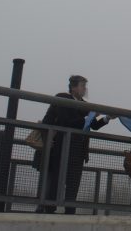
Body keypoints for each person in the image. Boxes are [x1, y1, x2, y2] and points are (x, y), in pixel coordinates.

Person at [37, 75, 108, 214]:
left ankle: (70, 209)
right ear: (74, 87)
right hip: (60, 146)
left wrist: (106, 118)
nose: (84, 89)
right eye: (82, 85)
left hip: (77, 148)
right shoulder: (63, 98)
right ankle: (50, 208)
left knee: (73, 180)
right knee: (56, 177)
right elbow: (67, 121)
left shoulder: (84, 104)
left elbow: (93, 125)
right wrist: (89, 117)